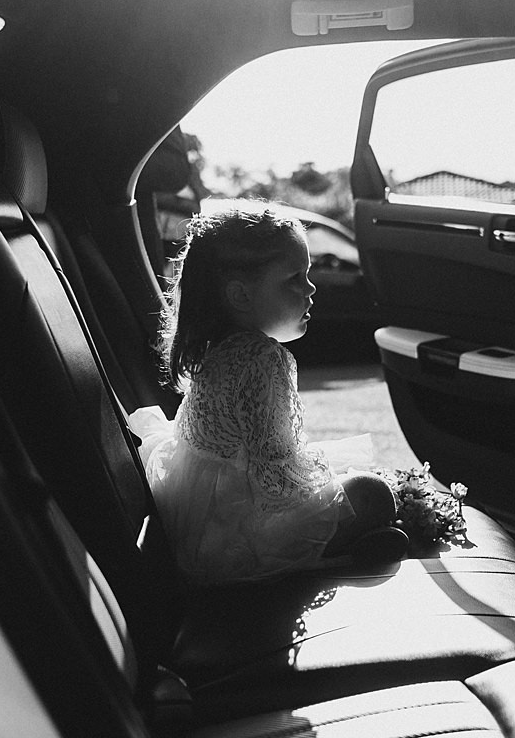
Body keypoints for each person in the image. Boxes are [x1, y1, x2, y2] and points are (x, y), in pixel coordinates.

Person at [127, 200, 406, 584]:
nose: (311, 288)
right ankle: (329, 550)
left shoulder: (220, 348)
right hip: (236, 535)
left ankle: (347, 540)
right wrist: (330, 492)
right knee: (372, 494)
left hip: (203, 520)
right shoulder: (261, 358)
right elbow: (277, 475)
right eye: (295, 278)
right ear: (241, 296)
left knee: (349, 474)